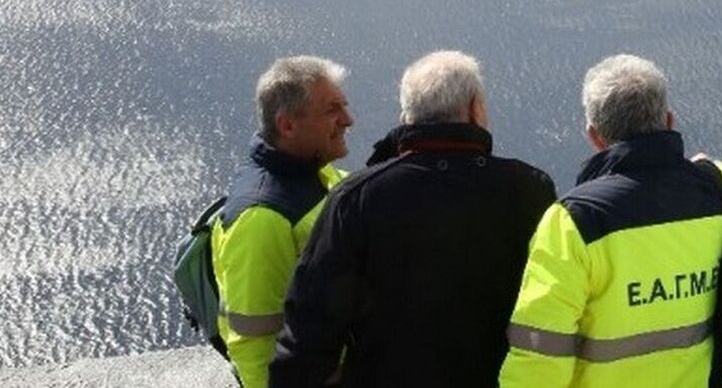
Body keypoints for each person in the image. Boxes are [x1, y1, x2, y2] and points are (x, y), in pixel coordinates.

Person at [270, 50, 557, 387]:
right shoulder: (530, 190)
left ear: (406, 117)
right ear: (475, 109)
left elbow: (311, 330)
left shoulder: (356, 198)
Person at [500, 54, 722, 387]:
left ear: (594, 135)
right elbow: (718, 175)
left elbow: (541, 353)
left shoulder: (573, 220)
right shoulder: (719, 189)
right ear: (669, 120)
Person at [212, 56, 354, 388]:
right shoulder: (261, 218)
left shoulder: (314, 171)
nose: (348, 120)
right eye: (332, 110)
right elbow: (253, 338)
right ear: (287, 125)